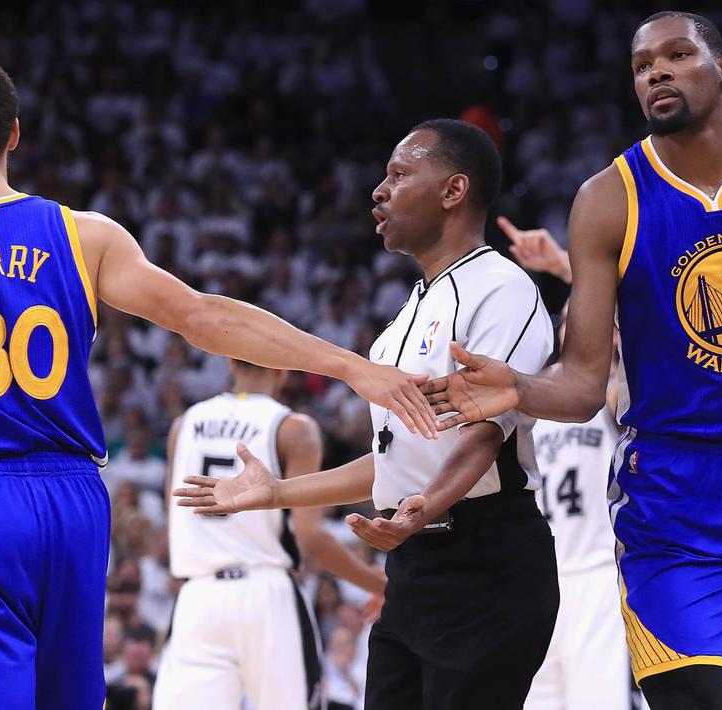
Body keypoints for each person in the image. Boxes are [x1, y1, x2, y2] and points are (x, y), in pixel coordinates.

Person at [0, 54, 436, 709]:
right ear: (15, 134)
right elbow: (202, 316)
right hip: (76, 503)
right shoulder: (85, 235)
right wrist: (351, 366)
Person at [421, 10, 722, 709]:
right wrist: (516, 387)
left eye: (675, 55)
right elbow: (582, 383)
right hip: (672, 486)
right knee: (689, 696)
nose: (656, 72)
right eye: (642, 66)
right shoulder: (606, 198)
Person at [177, 118, 558, 710]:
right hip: (415, 564)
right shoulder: (406, 316)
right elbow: (393, 463)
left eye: (399, 175)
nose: (378, 192)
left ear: (453, 191)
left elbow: (484, 438)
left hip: (487, 559)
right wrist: (277, 493)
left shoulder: (502, 288)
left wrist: (422, 511)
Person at [153, 359, 386, 709]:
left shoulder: (182, 425)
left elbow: (174, 525)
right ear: (283, 369)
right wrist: (378, 584)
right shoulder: (294, 428)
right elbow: (310, 540)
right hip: (267, 592)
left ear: (230, 362)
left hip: (197, 596)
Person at [497, 218, 633, 710]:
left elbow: (631, 311)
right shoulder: (531, 399)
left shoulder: (614, 396)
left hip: (598, 572)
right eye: (571, 321)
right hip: (539, 573)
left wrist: (563, 266)